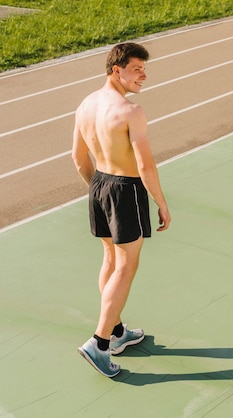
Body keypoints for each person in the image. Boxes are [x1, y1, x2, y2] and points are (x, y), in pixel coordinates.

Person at [71, 42, 171, 377]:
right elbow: (145, 165)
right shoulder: (131, 111)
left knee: (111, 260)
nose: (144, 75)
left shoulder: (86, 104)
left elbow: (78, 159)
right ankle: (99, 343)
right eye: (137, 69)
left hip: (99, 182)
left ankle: (115, 331)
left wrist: (99, 191)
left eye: (144, 68)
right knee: (126, 267)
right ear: (117, 70)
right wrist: (161, 202)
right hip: (125, 189)